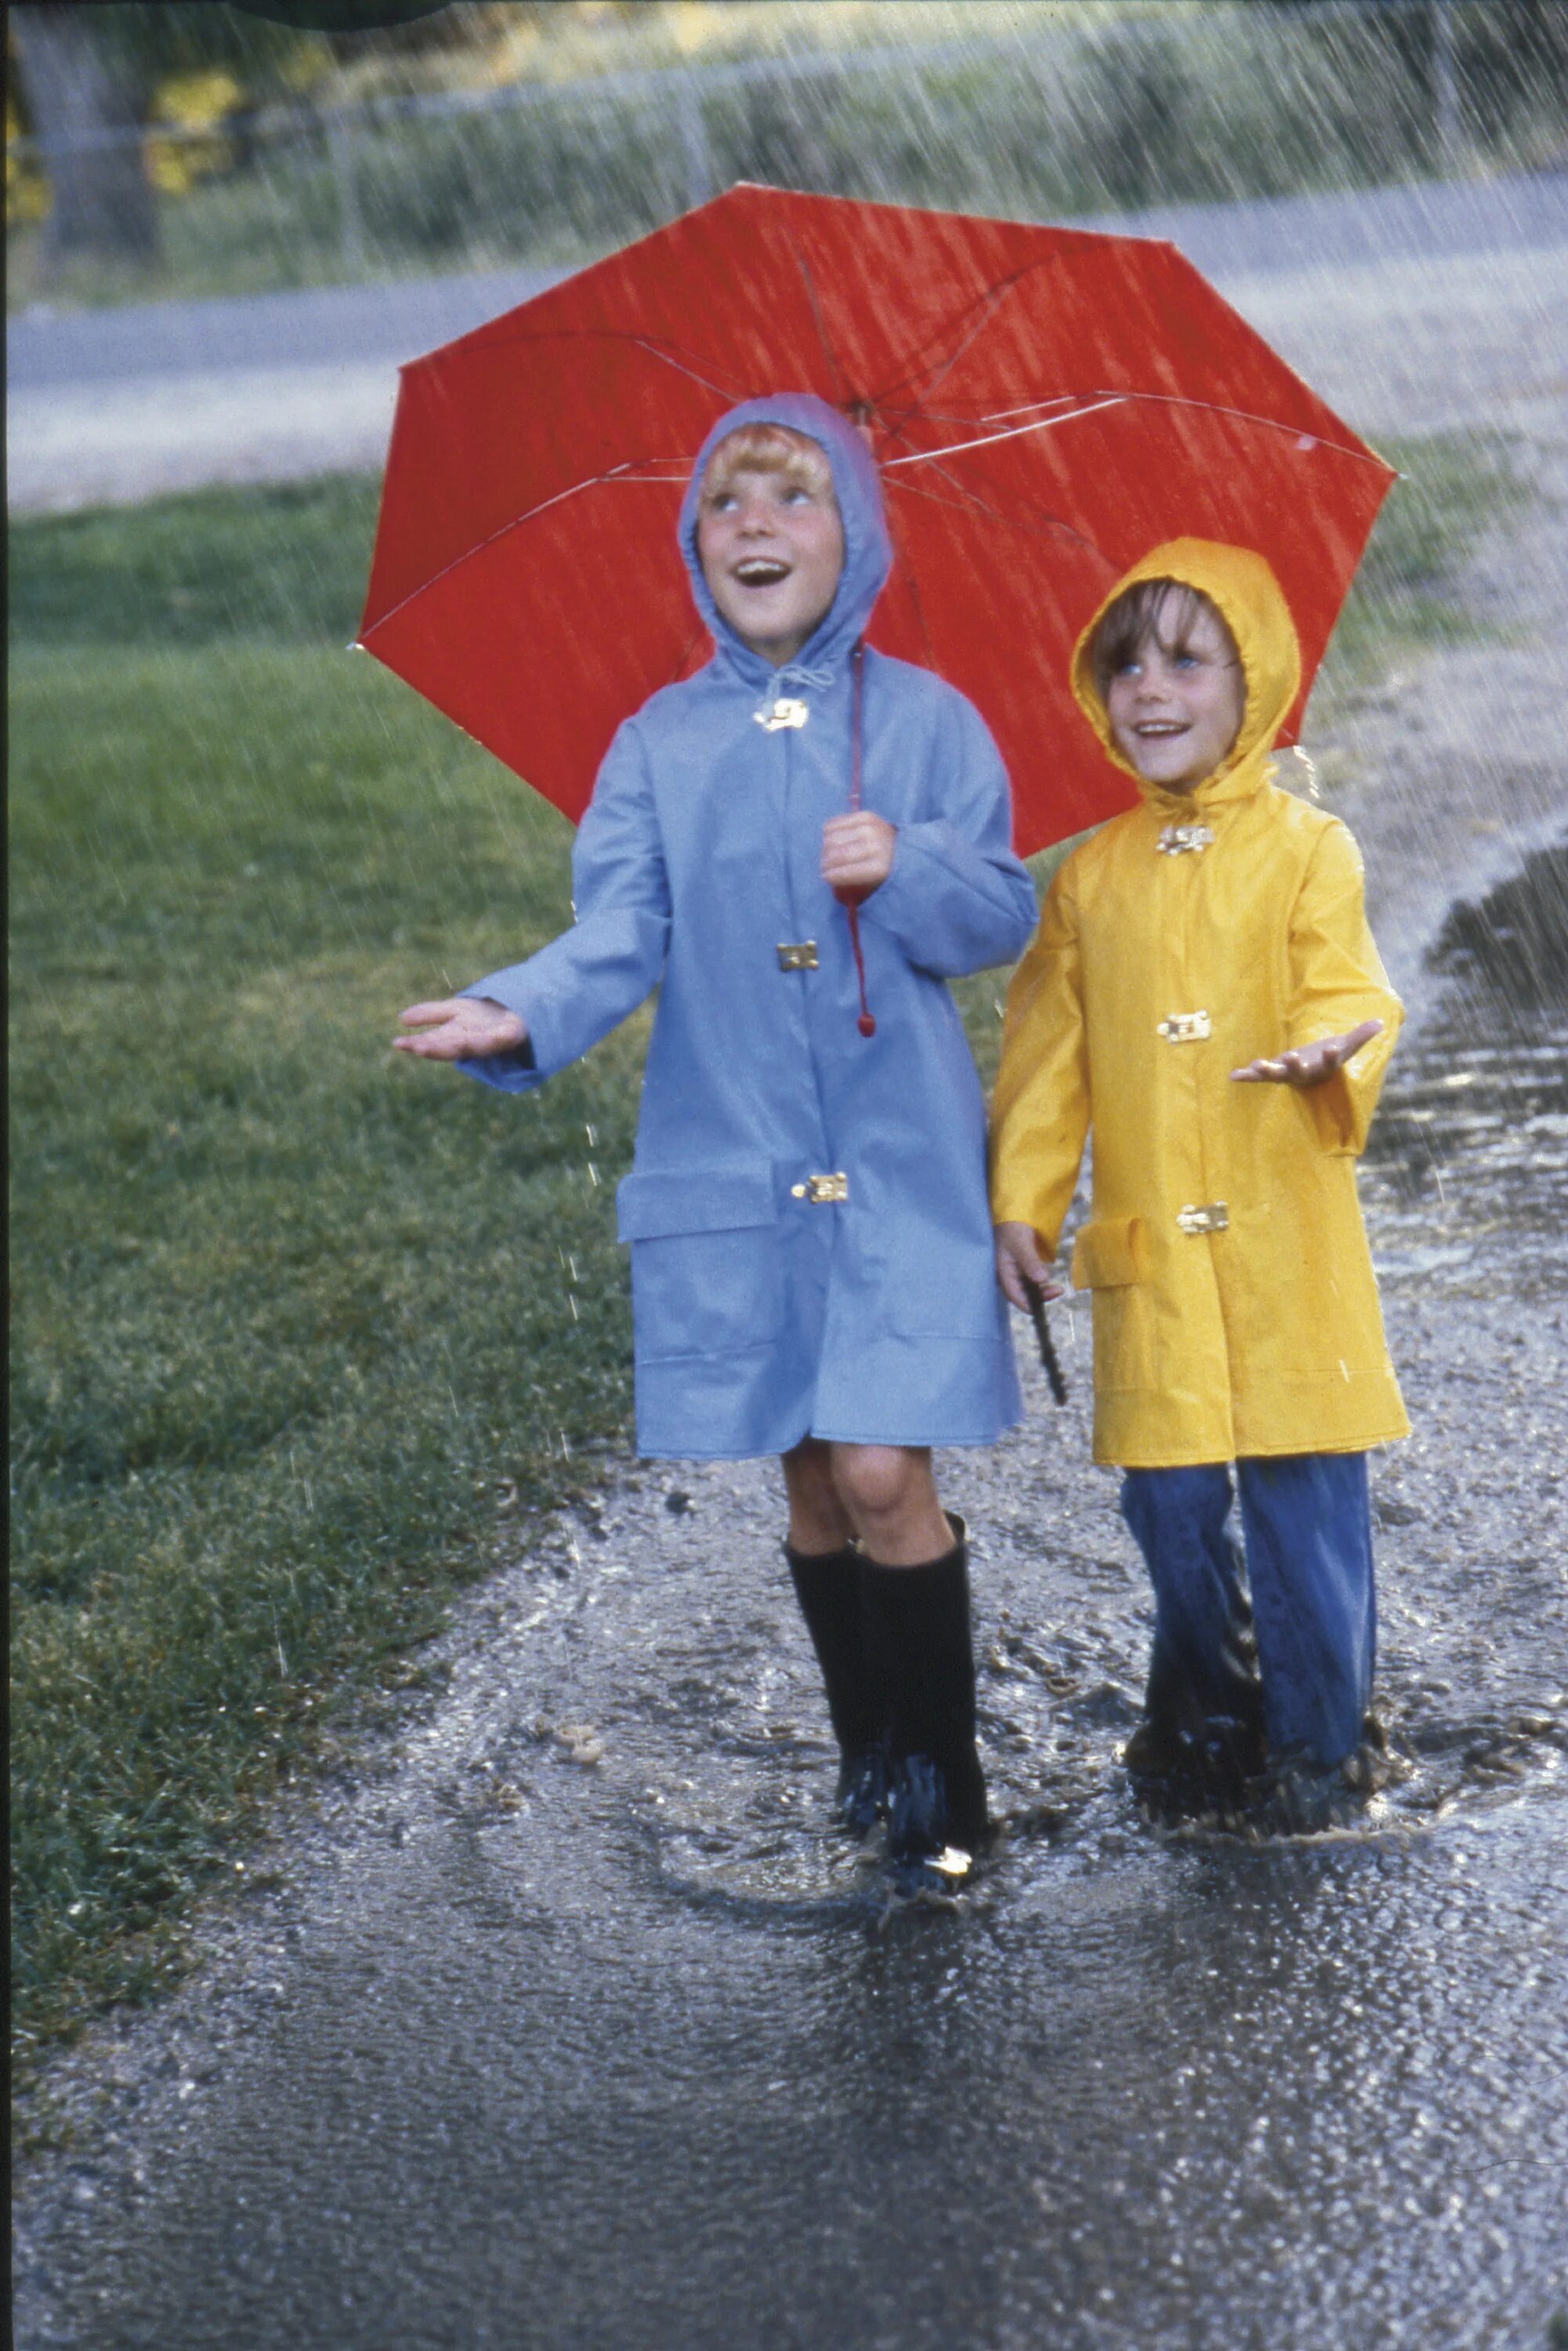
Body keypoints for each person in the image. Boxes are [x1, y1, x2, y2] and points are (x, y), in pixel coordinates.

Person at [395, 394, 1037, 1886]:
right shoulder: (655, 742)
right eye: (725, 505)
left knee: (883, 1471)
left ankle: (946, 1787)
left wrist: (912, 864)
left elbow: (1001, 911)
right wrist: (517, 1008)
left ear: (856, 534)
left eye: (793, 497)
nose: (756, 524)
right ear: (694, 551)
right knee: (809, 1475)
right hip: (734, 1154)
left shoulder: (927, 721)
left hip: (893, 1161)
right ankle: (865, 1750)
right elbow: (620, 925)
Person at [990, 538, 1409, 1820]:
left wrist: (1335, 1048)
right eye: (1123, 664)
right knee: (1169, 1507)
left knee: (1304, 1513)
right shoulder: (1090, 879)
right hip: (1152, 1261)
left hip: (1285, 1247)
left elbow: (1349, 987)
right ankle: (1207, 1714)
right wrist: (1022, 1198)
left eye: (1186, 659)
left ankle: (1324, 1746)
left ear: (1257, 681)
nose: (1149, 690)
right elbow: (1046, 1063)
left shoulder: (1305, 850)